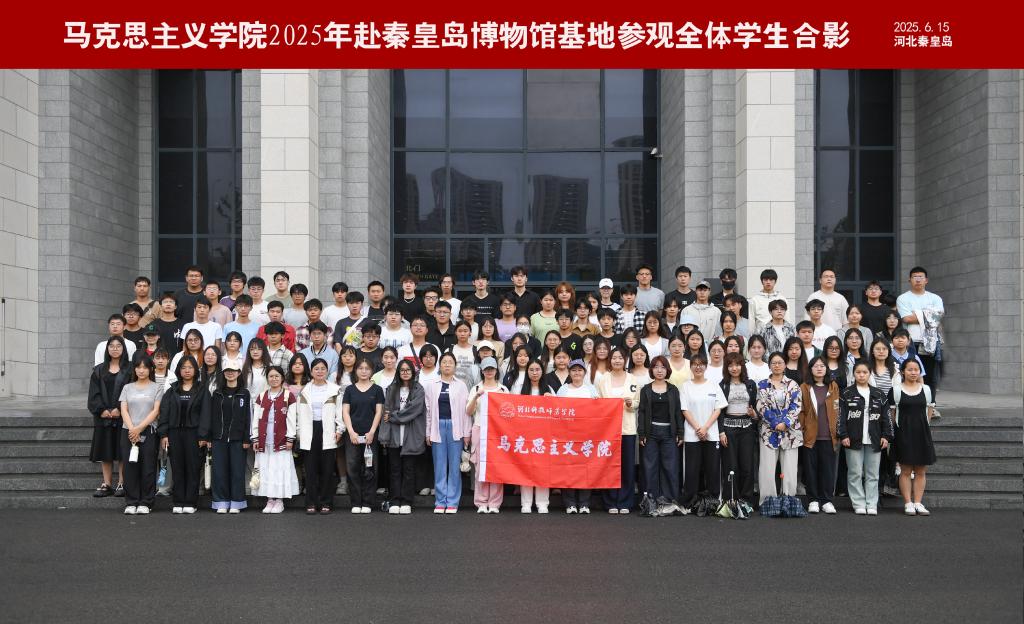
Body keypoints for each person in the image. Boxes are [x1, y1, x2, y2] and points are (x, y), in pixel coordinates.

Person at [839, 361, 893, 515]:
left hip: (874, 439)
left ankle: (871, 503)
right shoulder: (846, 393)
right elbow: (840, 416)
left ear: (870, 374)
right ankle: (858, 503)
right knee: (855, 472)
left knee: (873, 474)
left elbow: (886, 417)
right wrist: (843, 434)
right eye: (858, 372)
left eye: (865, 372)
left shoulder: (879, 394)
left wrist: (886, 436)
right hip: (852, 438)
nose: (861, 375)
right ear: (854, 374)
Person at [156, 355, 206, 513]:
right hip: (174, 433)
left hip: (194, 434)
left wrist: (203, 435)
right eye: (184, 368)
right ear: (179, 370)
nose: (187, 370)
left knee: (193, 467)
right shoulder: (172, 390)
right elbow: (164, 413)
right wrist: (164, 434)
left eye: (190, 367)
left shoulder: (202, 390)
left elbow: (206, 414)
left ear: (195, 370)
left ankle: (191, 502)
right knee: (177, 467)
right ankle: (178, 501)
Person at [199, 363, 251, 514]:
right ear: (223, 373)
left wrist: (246, 438)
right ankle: (221, 502)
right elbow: (211, 416)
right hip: (218, 438)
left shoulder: (244, 393)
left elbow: (248, 416)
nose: (230, 373)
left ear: (239, 373)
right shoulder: (217, 393)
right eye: (227, 371)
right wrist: (209, 437)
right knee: (219, 471)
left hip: (238, 439)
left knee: (237, 472)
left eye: (233, 371)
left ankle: (236, 502)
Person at [295, 358, 344, 514]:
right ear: (311, 371)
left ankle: (326, 502)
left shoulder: (335, 390)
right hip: (309, 431)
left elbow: (340, 412)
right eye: (316, 368)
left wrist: (339, 430)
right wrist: (299, 432)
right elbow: (298, 414)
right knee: (310, 470)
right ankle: (310, 502)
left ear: (327, 371)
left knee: (327, 470)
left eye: (323, 368)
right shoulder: (304, 390)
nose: (320, 371)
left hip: (328, 430)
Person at [118, 354, 165, 515]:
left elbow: (156, 411)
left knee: (148, 467)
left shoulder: (157, 387)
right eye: (138, 367)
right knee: (130, 467)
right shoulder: (127, 388)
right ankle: (131, 501)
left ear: (150, 369)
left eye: (145, 367)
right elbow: (123, 410)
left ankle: (146, 502)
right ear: (134, 369)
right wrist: (132, 429)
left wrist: (139, 428)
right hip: (128, 432)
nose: (141, 370)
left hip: (148, 431)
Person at [424, 352, 471, 513]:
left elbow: (466, 412)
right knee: (439, 465)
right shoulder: (432, 385)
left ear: (455, 366)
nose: (447, 365)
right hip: (437, 427)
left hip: (456, 428)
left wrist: (467, 433)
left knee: (454, 466)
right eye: (444, 362)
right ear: (440, 365)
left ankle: (452, 501)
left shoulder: (461, 385)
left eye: (450, 362)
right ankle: (440, 501)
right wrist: (428, 432)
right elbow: (428, 411)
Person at [379, 360, 426, 514]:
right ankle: (395, 500)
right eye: (402, 370)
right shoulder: (392, 389)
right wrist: (384, 436)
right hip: (394, 435)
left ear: (413, 372)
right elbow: (385, 412)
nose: (405, 372)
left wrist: (393, 416)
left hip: (411, 435)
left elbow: (413, 410)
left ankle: (406, 501)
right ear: (398, 372)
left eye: (408, 370)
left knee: (409, 470)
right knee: (394, 470)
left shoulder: (418, 389)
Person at [679, 353, 727, 509]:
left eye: (701, 364)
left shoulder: (714, 385)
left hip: (711, 433)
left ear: (706, 366)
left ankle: (713, 501)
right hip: (692, 434)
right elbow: (685, 409)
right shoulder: (685, 386)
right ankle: (690, 502)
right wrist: (698, 429)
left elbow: (718, 408)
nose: (698, 367)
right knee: (691, 470)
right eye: (695, 364)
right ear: (691, 367)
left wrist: (705, 428)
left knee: (713, 469)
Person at [890, 358, 936, 516]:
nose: (913, 372)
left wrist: (922, 427)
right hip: (903, 434)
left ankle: (918, 502)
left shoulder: (926, 389)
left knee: (921, 470)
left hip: (922, 434)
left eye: (916, 370)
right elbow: (892, 414)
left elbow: (929, 412)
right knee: (905, 470)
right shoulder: (896, 390)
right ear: (903, 372)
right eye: (910, 369)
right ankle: (908, 503)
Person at [250, 366, 299, 514]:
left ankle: (279, 501)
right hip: (264, 440)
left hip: (281, 439)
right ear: (267, 379)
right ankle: (270, 500)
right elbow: (256, 419)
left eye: (277, 376)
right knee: (266, 469)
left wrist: (290, 438)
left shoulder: (288, 396)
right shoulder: (262, 396)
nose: (274, 379)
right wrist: (255, 437)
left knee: (279, 469)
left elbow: (292, 419)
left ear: (282, 378)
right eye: (271, 376)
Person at [756, 352, 803, 505]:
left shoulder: (793, 384)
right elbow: (761, 406)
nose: (777, 365)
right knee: (767, 469)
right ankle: (768, 502)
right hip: (768, 432)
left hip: (790, 432)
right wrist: (776, 422)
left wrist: (785, 422)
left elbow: (796, 405)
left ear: (784, 365)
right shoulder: (762, 384)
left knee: (790, 469)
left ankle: (789, 501)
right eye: (774, 363)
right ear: (769, 365)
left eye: (780, 363)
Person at [637, 356, 684, 508]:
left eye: (663, 367)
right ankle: (650, 501)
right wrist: (642, 433)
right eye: (656, 367)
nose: (659, 370)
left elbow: (677, 412)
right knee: (649, 467)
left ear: (667, 370)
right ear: (651, 370)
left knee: (670, 467)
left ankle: (669, 501)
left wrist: (680, 433)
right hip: (650, 433)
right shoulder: (645, 389)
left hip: (669, 433)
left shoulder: (673, 389)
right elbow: (642, 412)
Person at [598, 347, 640, 513]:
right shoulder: (603, 379)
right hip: (608, 430)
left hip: (627, 429)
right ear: (610, 360)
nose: (617, 360)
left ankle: (625, 502)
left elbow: (637, 403)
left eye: (620, 358)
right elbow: (599, 402)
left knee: (627, 466)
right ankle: (610, 501)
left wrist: (630, 404)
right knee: (608, 466)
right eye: (614, 358)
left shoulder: (632, 379)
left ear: (625, 360)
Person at [341, 358, 385, 514]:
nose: (364, 371)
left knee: (370, 468)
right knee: (352, 467)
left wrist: (372, 431)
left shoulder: (377, 390)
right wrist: (351, 432)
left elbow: (379, 412)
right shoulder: (349, 390)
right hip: (352, 435)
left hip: (370, 435)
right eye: (361, 368)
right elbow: (345, 412)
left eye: (367, 368)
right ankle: (356, 502)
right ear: (356, 370)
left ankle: (367, 502)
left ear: (372, 371)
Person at [88, 337, 130, 498]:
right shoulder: (99, 370)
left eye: (118, 346)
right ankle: (106, 484)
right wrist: (101, 410)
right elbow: (94, 393)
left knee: (122, 451)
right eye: (111, 346)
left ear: (123, 349)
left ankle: (122, 483)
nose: (115, 348)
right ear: (107, 349)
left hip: (123, 417)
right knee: (105, 451)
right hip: (103, 417)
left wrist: (120, 408)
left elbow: (132, 391)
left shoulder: (130, 369)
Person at [798, 356, 840, 514]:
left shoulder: (833, 386)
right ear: (810, 369)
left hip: (829, 436)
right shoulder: (805, 387)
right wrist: (803, 429)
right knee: (811, 470)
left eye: (822, 366)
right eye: (816, 366)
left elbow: (837, 410)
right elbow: (801, 411)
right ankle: (813, 500)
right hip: (810, 436)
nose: (819, 368)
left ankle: (827, 500)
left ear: (826, 369)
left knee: (827, 470)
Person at [556, 359, 599, 514]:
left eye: (580, 370)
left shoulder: (591, 389)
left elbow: (599, 411)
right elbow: (557, 411)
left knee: (585, 469)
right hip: (567, 435)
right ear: (569, 372)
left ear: (584, 372)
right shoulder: (563, 390)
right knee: (568, 469)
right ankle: (570, 503)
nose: (577, 373)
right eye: (573, 370)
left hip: (587, 435)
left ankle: (584, 503)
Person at [467, 357, 509, 513]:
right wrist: (476, 396)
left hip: (498, 431)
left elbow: (509, 413)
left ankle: (494, 503)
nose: (489, 371)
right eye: (486, 369)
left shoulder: (503, 389)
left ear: (496, 370)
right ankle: (481, 502)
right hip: (480, 429)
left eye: (492, 368)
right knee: (480, 467)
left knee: (497, 467)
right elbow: (468, 411)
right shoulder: (476, 388)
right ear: (482, 371)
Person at [896, 266, 944, 400]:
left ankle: (930, 404)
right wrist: (928, 314)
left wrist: (916, 313)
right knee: (910, 373)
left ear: (926, 280)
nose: (918, 280)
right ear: (909, 280)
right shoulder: (903, 298)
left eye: (920, 277)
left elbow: (938, 317)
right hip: (911, 342)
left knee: (930, 376)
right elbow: (906, 319)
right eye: (915, 277)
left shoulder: (935, 298)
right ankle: (912, 402)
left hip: (931, 341)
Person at [719, 352, 759, 506]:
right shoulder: (723, 385)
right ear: (726, 368)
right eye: (730, 365)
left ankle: (746, 500)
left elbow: (755, 408)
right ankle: (731, 499)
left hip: (747, 428)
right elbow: (719, 411)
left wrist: (754, 414)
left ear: (742, 366)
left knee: (747, 466)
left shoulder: (750, 384)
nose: (734, 368)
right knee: (731, 466)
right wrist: (721, 431)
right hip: (728, 428)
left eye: (737, 365)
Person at [518, 359, 552, 513]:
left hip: (544, 436)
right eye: (531, 370)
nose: (534, 373)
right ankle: (526, 503)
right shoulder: (520, 390)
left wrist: (551, 400)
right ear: (527, 372)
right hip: (525, 435)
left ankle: (542, 503)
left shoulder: (548, 389)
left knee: (543, 470)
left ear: (542, 371)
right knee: (526, 469)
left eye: (537, 369)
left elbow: (558, 411)